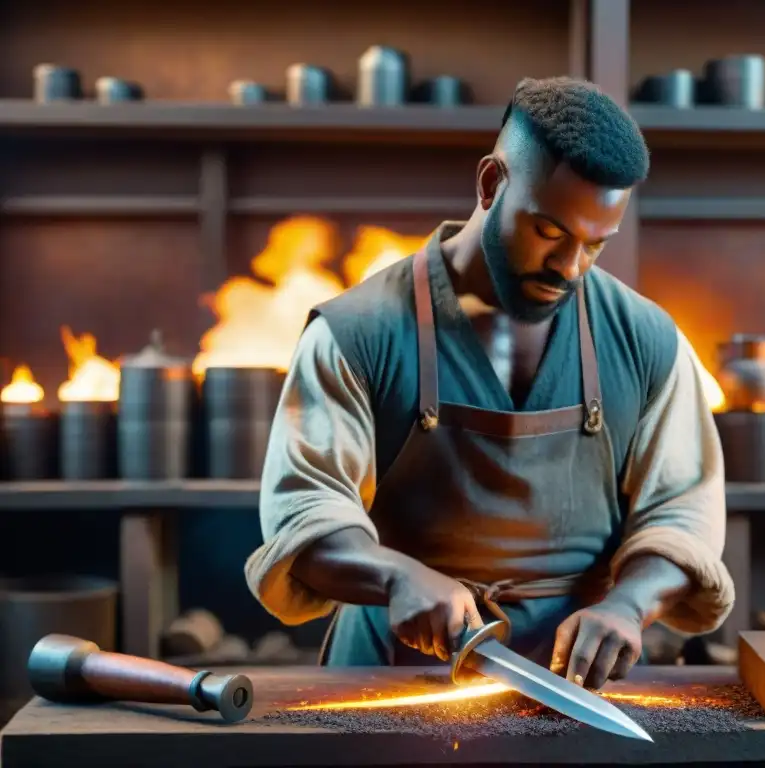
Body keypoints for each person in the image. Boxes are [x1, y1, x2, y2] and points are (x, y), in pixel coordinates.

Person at [245, 76, 734, 690]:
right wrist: (394, 576)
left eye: (595, 246)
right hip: (385, 674)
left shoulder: (645, 339)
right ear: (490, 183)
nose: (569, 267)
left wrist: (627, 606)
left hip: (577, 684)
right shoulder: (355, 333)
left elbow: (684, 515)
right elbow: (304, 512)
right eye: (550, 232)